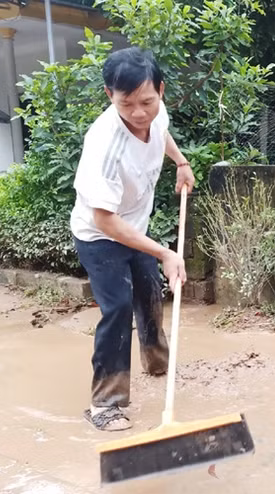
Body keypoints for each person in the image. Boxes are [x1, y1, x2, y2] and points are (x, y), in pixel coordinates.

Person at [69, 47, 194, 432]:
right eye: (127, 104)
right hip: (100, 237)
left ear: (160, 90)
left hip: (135, 229)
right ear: (110, 96)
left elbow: (162, 131)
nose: (139, 113)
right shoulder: (103, 145)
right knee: (119, 307)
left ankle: (157, 364)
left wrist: (181, 162)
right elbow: (104, 221)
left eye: (147, 101)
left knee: (150, 292)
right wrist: (163, 251)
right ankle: (106, 403)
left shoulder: (155, 112)